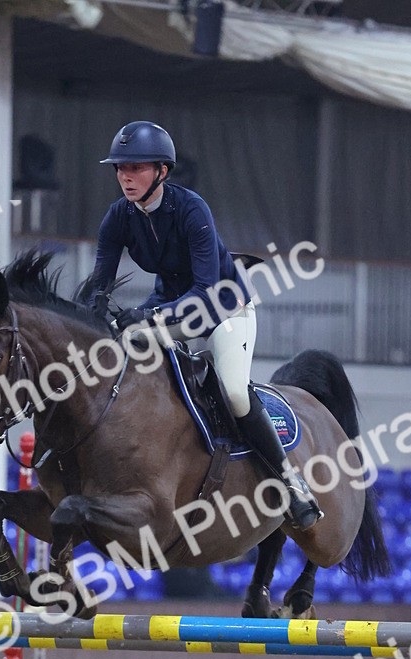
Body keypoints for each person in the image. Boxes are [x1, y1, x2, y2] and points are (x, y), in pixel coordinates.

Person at [92, 120, 322, 531]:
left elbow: (204, 291)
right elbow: (99, 285)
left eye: (137, 168)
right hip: (169, 308)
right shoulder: (117, 217)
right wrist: (88, 318)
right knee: (117, 354)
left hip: (222, 308)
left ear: (162, 171)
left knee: (234, 391)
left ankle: (292, 483)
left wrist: (145, 316)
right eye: (120, 168)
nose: (125, 176)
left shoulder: (192, 209)